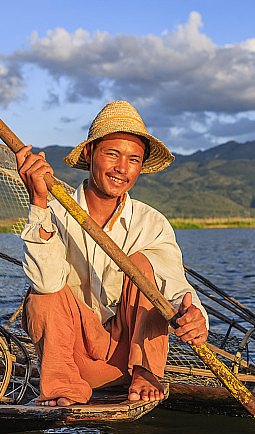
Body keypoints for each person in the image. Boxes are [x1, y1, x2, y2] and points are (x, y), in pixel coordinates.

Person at [16, 100, 208, 407]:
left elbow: (175, 285)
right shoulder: (54, 214)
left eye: (133, 159)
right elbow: (47, 284)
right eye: (112, 154)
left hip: (128, 362)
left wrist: (194, 317)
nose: (122, 168)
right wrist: (39, 203)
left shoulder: (151, 223)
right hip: (72, 358)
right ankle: (63, 391)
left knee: (143, 264)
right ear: (91, 154)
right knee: (39, 294)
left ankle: (147, 372)